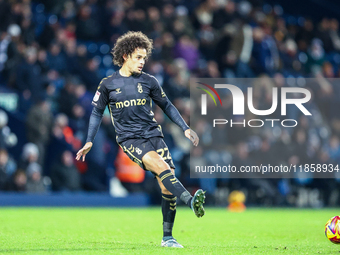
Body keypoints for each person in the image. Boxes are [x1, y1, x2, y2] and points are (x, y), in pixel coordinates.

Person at [76, 31, 205, 248]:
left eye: (144, 58)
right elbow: (96, 113)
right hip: (130, 139)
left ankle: (167, 238)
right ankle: (190, 201)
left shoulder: (149, 81)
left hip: (154, 135)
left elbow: (168, 106)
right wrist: (89, 139)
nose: (142, 62)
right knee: (160, 165)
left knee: (167, 182)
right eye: (138, 57)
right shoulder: (107, 84)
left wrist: (184, 127)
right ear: (125, 55)